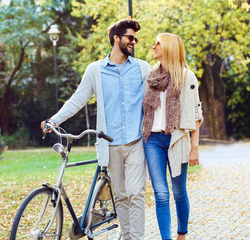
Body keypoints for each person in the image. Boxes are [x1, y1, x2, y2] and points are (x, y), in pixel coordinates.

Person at [41, 19, 151, 240]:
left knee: (136, 194)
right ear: (116, 39)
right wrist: (53, 120)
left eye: (135, 39)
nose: (134, 42)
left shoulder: (143, 68)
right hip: (110, 145)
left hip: (136, 142)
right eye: (130, 37)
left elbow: (153, 102)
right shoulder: (95, 71)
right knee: (120, 196)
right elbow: (77, 100)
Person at [142, 33, 203, 240]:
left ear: (168, 47)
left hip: (176, 140)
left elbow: (196, 115)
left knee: (178, 192)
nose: (153, 46)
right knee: (160, 193)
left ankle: (182, 234)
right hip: (153, 141)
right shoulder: (152, 75)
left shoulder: (187, 77)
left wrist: (194, 147)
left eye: (158, 43)